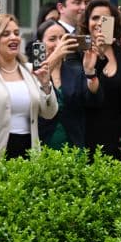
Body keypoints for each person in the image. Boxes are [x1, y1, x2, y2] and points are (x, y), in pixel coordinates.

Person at [61, 0, 121, 161]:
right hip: (88, 138)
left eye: (105, 19)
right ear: (87, 22)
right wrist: (92, 67)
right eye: (95, 18)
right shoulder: (76, 55)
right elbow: (77, 96)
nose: (99, 23)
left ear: (113, 22)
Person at [0, 14, 57, 159]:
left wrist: (46, 85)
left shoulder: (31, 70)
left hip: (29, 149)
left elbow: (49, 113)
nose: (13, 38)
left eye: (16, 33)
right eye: (6, 34)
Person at [33, 19, 79, 148]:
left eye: (62, 39)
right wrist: (56, 55)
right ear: (40, 44)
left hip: (73, 144)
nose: (59, 44)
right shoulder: (30, 70)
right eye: (52, 39)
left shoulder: (75, 71)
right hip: (43, 142)